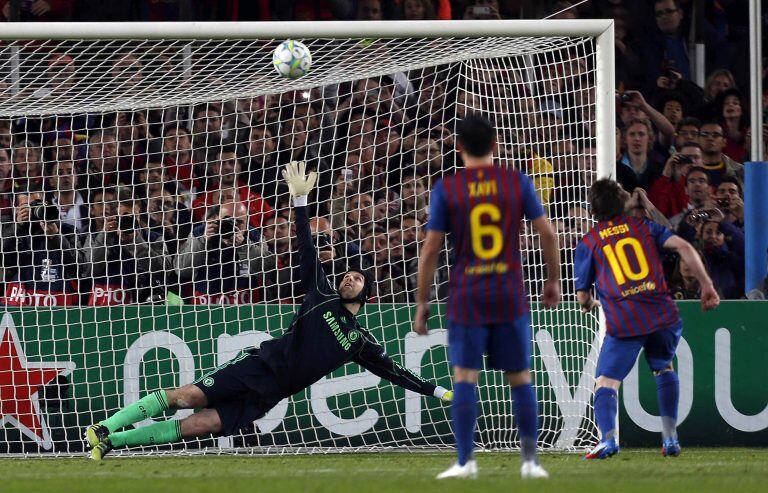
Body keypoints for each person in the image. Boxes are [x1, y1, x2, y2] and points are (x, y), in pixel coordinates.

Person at [85, 162, 453, 460]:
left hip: (269, 394)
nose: (348, 280)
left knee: (197, 426)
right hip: (256, 367)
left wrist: (440, 393)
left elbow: (397, 373)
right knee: (185, 397)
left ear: (366, 294)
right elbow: (306, 248)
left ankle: (112, 444)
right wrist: (300, 201)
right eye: (347, 275)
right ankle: (104, 426)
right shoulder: (321, 296)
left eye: (357, 279)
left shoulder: (359, 341)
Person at [413, 114, 560, 480]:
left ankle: (466, 463)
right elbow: (549, 234)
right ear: (495, 144)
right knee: (520, 377)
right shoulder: (517, 182)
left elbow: (431, 249)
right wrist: (553, 282)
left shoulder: (447, 188)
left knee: (464, 376)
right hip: (509, 292)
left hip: (467, 296)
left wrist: (422, 302)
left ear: (458, 146)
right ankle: (530, 463)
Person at [575, 179, 719, 460]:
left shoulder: (590, 241)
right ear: (623, 201)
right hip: (661, 313)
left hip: (625, 320)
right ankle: (670, 438)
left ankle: (607, 440)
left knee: (605, 382)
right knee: (664, 368)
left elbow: (582, 297)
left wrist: (591, 303)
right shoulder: (644, 227)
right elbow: (685, 248)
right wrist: (707, 285)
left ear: (593, 210)